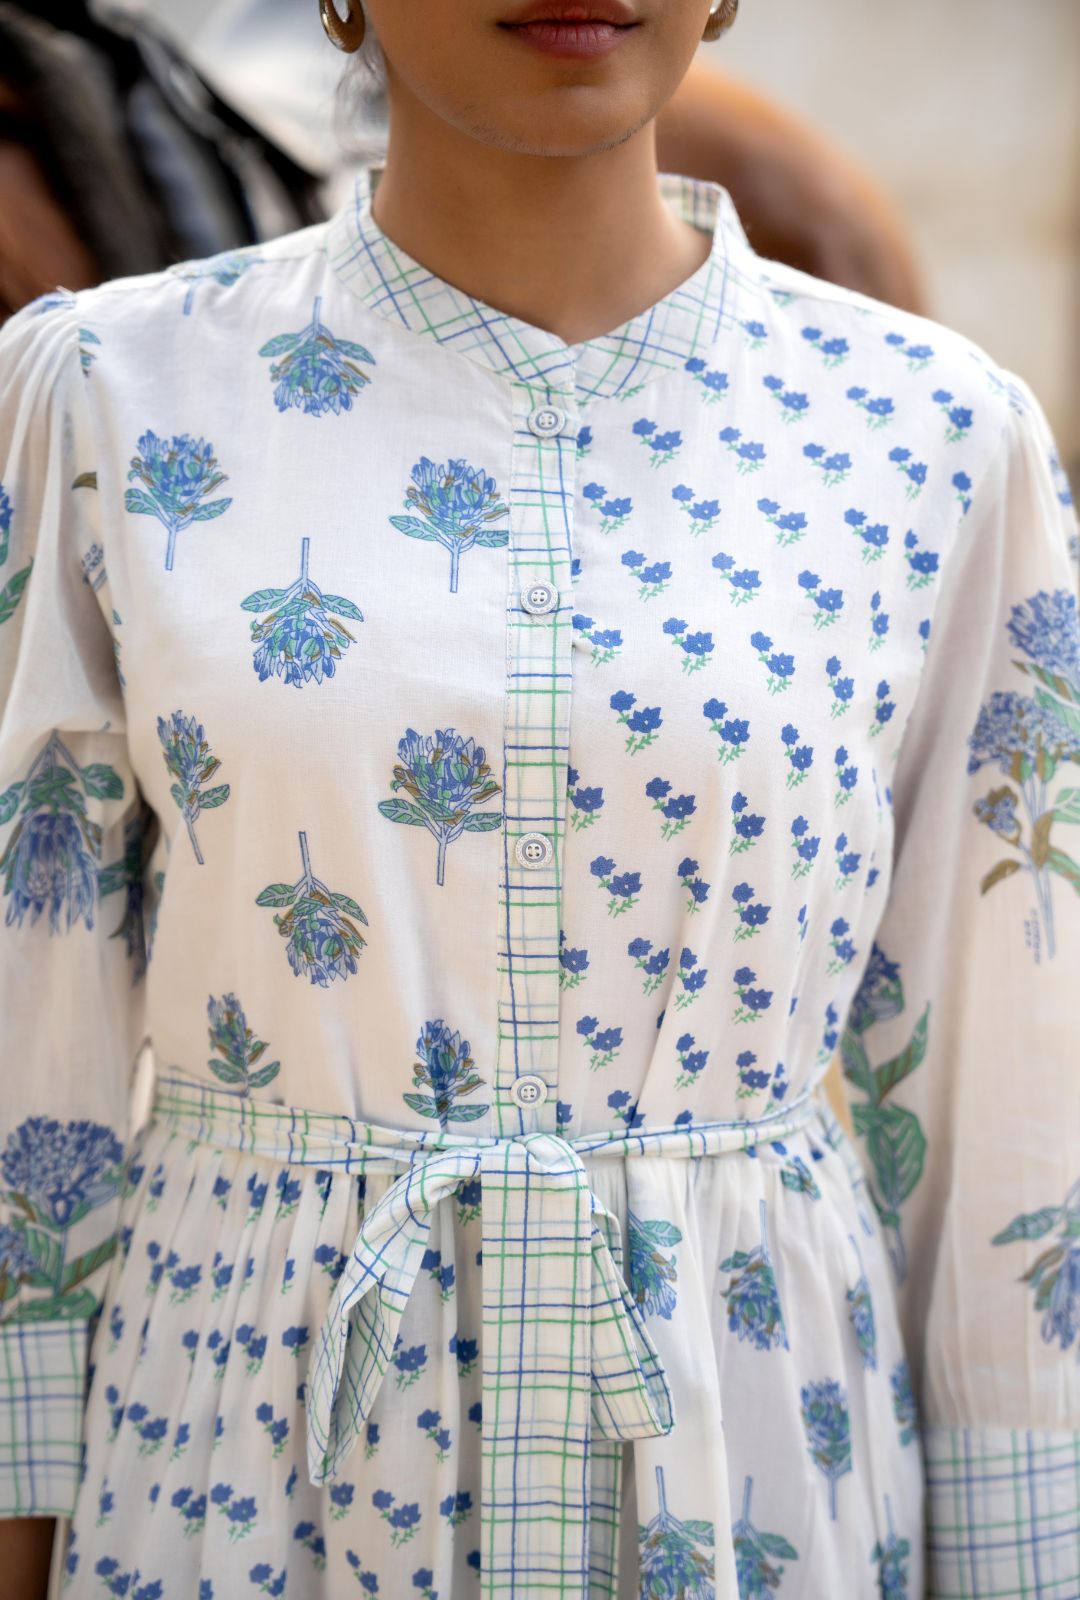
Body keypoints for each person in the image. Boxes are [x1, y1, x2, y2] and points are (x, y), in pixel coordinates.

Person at [0, 1, 1077, 1597]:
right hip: (230, 1451)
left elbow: (1007, 1124)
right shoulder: (104, 389)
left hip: (757, 1457)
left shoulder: (937, 438)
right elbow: (30, 1034)